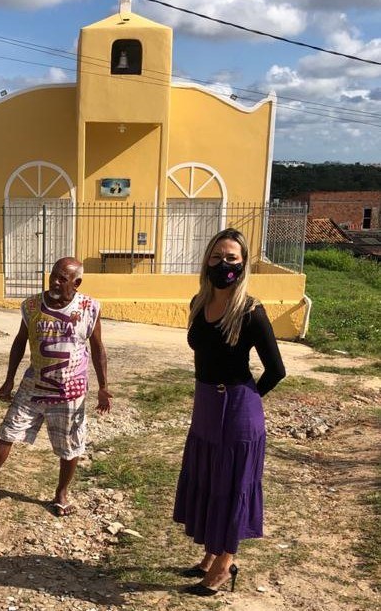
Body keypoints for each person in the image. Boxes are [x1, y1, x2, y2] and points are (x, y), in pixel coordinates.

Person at [173, 228, 286, 596]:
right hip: (205, 404)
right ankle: (210, 553)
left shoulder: (251, 311)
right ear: (208, 260)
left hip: (237, 408)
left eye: (232, 258)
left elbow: (276, 370)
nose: (224, 264)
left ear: (243, 263)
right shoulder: (198, 302)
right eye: (218, 257)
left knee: (232, 484)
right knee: (208, 478)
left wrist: (248, 401)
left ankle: (224, 564)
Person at [0, 257, 112, 516]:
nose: (54, 281)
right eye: (53, 275)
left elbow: (97, 349)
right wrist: (9, 379)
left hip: (69, 390)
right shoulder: (31, 305)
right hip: (34, 386)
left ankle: (61, 494)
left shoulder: (89, 307)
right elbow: (19, 342)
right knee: (7, 432)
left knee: (70, 444)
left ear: (77, 283)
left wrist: (104, 387)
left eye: (63, 278)